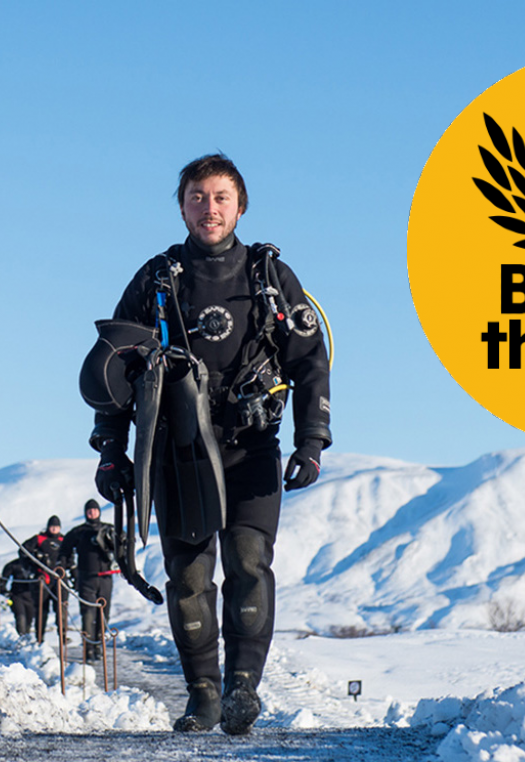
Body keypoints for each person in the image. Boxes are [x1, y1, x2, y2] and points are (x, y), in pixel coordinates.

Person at [87, 154, 332, 734]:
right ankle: (203, 696)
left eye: (221, 197)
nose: (209, 207)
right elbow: (113, 371)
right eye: (197, 196)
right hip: (180, 452)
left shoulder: (269, 278)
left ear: (240, 206)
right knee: (190, 576)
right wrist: (110, 450)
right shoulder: (156, 279)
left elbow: (310, 360)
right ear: (182, 207)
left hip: (251, 445)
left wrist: (312, 440)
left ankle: (243, 689)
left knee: (249, 562)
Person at [59, 499, 118, 660]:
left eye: (94, 510)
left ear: (99, 512)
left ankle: (99, 646)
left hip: (106, 578)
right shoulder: (79, 532)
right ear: (86, 513)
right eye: (89, 511)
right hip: (86, 578)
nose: (92, 513)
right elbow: (64, 551)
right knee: (88, 614)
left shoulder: (109, 529)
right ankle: (88, 649)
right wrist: (69, 570)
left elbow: (123, 545)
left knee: (104, 614)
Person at [20, 516, 65, 643]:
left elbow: (71, 558)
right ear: (48, 527)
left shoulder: (64, 540)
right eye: (52, 526)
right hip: (42, 579)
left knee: (61, 608)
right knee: (41, 609)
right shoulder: (39, 539)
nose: (54, 529)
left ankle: (63, 635)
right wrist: (30, 568)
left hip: (59, 579)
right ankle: (40, 638)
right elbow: (23, 551)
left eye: (57, 526)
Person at [0, 557, 36, 636]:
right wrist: (4, 591)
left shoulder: (35, 564)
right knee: (20, 617)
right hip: (17, 595)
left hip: (31, 596)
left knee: (29, 618)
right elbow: (3, 580)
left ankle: (26, 636)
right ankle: (21, 637)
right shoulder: (13, 565)